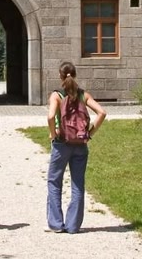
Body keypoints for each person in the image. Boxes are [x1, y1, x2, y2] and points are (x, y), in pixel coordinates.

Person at [46, 61, 106, 234]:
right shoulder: (83, 95)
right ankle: (73, 226)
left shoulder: (57, 95)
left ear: (60, 76)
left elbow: (50, 117)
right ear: (75, 75)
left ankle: (56, 224)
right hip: (80, 144)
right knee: (77, 184)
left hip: (61, 144)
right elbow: (102, 113)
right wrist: (90, 134)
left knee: (54, 181)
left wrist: (53, 133)